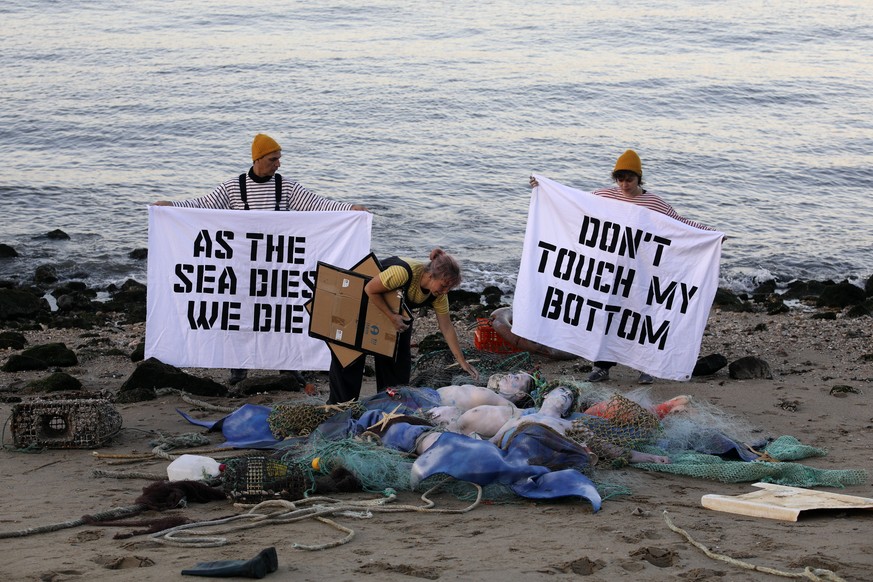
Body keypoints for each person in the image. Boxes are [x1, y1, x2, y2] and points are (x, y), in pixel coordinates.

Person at [154, 132, 369, 385]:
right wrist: (171, 207)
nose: (278, 164)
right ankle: (238, 366)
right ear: (257, 159)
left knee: (281, 315)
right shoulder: (233, 187)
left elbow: (316, 204)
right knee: (239, 315)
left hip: (278, 266)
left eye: (279, 159)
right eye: (273, 159)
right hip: (242, 266)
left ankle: (288, 365)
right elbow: (203, 206)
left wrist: (348, 210)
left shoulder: (285, 186)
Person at [531, 149, 716, 385]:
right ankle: (601, 366)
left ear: (639, 178)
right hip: (610, 271)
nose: (624, 184)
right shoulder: (603, 196)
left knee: (640, 316)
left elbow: (680, 226)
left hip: (642, 271)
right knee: (608, 315)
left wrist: (710, 235)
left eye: (629, 179)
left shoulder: (654, 203)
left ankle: (645, 367)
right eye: (620, 179)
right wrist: (543, 188)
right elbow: (571, 204)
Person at [328, 248, 480, 404]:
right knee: (350, 364)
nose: (445, 291)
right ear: (430, 275)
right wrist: (392, 317)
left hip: (388, 312)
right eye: (443, 286)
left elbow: (447, 327)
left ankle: (389, 408)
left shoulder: (439, 295)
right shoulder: (403, 272)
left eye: (450, 288)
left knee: (397, 368)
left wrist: (462, 361)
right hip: (357, 305)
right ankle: (340, 410)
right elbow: (370, 289)